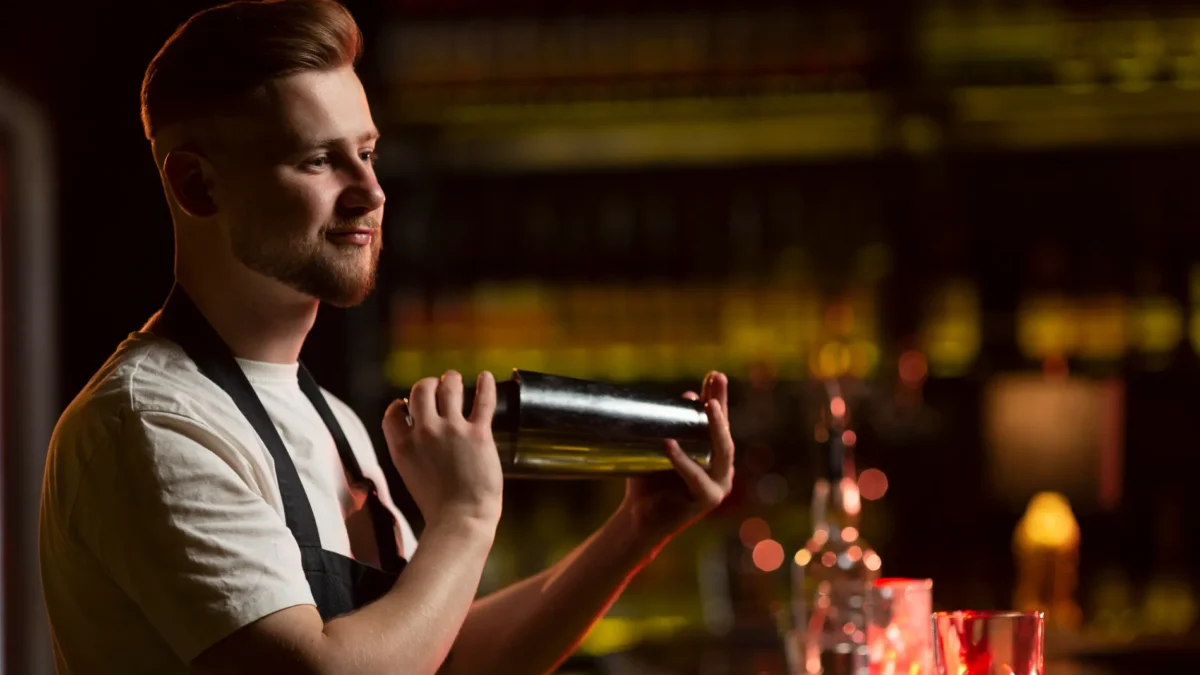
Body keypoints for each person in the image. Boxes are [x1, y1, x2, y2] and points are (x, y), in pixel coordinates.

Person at [38, 1, 736, 674]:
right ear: (198, 185)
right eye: (319, 160)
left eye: (367, 152)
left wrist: (635, 531)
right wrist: (465, 515)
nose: (370, 191)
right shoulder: (151, 423)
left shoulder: (331, 418)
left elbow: (440, 658)